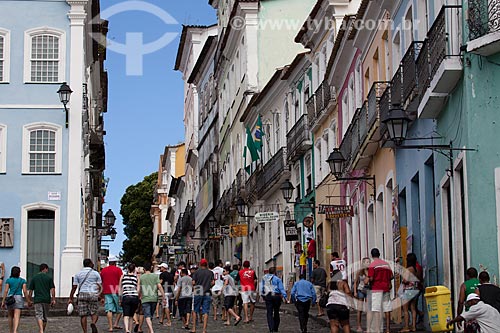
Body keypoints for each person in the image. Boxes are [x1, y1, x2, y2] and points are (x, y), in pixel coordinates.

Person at [69, 258, 102, 333]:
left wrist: (70, 297)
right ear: (90, 264)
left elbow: (74, 287)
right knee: (94, 312)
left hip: (82, 294)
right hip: (93, 294)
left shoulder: (78, 274)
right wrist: (100, 296)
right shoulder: (96, 273)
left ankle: (85, 331)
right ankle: (93, 323)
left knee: (83, 315)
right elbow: (99, 286)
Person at [367, 248, 393, 333]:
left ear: (372, 255)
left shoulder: (372, 265)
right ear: (379, 254)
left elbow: (371, 278)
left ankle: (378, 329)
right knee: (387, 309)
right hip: (386, 288)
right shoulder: (386, 264)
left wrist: (367, 280)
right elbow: (392, 276)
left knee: (376, 309)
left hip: (376, 289)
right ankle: (388, 329)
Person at [28, 263, 56, 333]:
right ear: (45, 269)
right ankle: (42, 330)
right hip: (46, 299)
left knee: (39, 315)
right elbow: (52, 289)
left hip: (37, 299)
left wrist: (29, 300)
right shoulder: (49, 278)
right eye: (47, 269)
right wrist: (53, 299)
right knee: (45, 316)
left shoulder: (34, 278)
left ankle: (41, 330)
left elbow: (31, 290)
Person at [1, 266, 30, 333]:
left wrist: (3, 301)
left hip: (10, 298)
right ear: (19, 273)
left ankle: (11, 330)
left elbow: (6, 291)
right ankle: (15, 330)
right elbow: (25, 291)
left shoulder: (9, 280)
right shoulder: (22, 280)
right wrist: (28, 300)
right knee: (17, 315)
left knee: (10, 315)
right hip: (19, 298)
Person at [260, 266, 288, 333]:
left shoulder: (264, 278)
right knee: (276, 311)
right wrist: (285, 297)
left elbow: (262, 287)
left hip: (268, 295)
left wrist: (262, 294)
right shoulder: (278, 279)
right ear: (274, 272)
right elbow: (281, 289)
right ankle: (276, 327)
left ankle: (271, 328)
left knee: (269, 312)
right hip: (276, 296)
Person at [400, 253, 422, 332]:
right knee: (413, 309)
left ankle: (406, 327)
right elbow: (419, 279)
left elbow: (405, 280)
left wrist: (403, 280)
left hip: (408, 290)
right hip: (415, 289)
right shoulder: (417, 269)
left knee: (405, 309)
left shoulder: (409, 269)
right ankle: (414, 326)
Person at [191, 258, 215, 333]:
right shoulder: (210, 273)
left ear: (200, 264)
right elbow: (213, 282)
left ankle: (194, 328)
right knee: (205, 311)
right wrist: (209, 285)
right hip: (207, 292)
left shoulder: (196, 272)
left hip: (198, 292)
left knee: (195, 310)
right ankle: (204, 330)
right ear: (206, 264)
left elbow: (193, 282)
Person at [140, 262, 165, 333]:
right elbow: (159, 286)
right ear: (151, 268)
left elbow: (139, 288)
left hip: (145, 298)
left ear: (144, 269)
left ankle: (151, 330)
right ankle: (150, 330)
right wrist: (163, 296)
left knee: (147, 315)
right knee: (150, 315)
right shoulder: (155, 276)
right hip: (154, 298)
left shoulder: (142, 277)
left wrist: (138, 295)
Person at [101, 255, 123, 332]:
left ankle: (110, 327)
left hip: (107, 290)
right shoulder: (118, 270)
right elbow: (121, 280)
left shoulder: (103, 270)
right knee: (120, 309)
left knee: (109, 309)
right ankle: (116, 323)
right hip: (116, 290)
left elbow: (102, 281)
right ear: (115, 262)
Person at [457, 267, 480, 332]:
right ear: (477, 275)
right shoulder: (481, 283)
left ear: (467, 275)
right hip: (481, 314)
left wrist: (459, 316)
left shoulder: (464, 285)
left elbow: (461, 302)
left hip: (469, 315)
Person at [119, 263, 141, 333]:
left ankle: (126, 329)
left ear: (127, 269)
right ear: (134, 269)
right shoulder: (137, 277)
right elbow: (138, 289)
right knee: (131, 315)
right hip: (134, 297)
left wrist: (120, 298)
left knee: (126, 315)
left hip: (126, 296)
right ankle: (130, 330)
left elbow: (120, 288)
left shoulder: (122, 276)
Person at [353, 257, 370, 332]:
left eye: (369, 262)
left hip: (369, 290)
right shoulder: (359, 272)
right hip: (361, 290)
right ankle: (359, 326)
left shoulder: (371, 271)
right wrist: (355, 292)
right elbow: (356, 282)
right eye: (366, 262)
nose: (368, 263)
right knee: (359, 309)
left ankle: (368, 327)